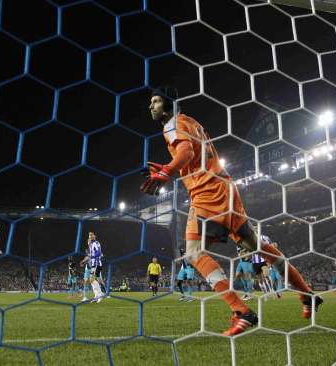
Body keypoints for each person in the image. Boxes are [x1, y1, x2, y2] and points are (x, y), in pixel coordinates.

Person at [142, 87, 322, 335]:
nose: (151, 107)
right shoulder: (191, 122)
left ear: (169, 105)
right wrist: (169, 167)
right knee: (257, 246)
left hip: (207, 193)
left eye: (156, 102)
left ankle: (241, 311)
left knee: (194, 254)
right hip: (226, 189)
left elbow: (187, 152)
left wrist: (167, 171)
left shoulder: (172, 125)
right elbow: (193, 154)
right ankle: (307, 294)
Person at [79, 232, 105, 303]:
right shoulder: (91, 247)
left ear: (94, 236)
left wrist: (92, 256)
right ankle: (97, 295)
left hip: (96, 264)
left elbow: (99, 253)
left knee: (93, 280)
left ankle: (100, 294)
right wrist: (84, 261)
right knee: (91, 280)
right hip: (94, 264)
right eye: (89, 236)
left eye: (91, 235)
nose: (90, 237)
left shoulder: (96, 243)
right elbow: (89, 256)